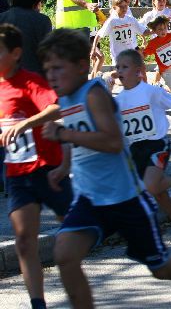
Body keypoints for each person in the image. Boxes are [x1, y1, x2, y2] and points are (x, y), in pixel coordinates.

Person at [38, 28, 171, 309]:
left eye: (58, 68)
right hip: (90, 198)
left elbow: (112, 141)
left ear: (82, 66)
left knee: (160, 267)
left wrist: (62, 135)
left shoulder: (95, 94)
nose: (52, 76)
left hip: (125, 200)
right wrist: (64, 166)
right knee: (65, 254)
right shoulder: (68, 100)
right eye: (47, 69)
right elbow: (78, 136)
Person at [0, 24, 73, 309]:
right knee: (24, 241)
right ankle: (37, 304)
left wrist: (25, 124)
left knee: (77, 234)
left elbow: (56, 109)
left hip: (49, 170)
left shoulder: (30, 81)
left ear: (16, 53)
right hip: (18, 174)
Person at [114, 49, 171, 247]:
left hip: (157, 144)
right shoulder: (118, 101)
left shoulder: (151, 91)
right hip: (136, 149)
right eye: (118, 67)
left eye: (125, 67)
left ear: (139, 70)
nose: (120, 70)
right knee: (158, 195)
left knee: (152, 186)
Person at [90, 0, 150, 84]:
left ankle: (144, 90)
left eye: (125, 6)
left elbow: (144, 31)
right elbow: (98, 35)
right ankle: (107, 77)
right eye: (121, 7)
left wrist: (156, 30)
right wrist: (94, 49)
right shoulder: (112, 21)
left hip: (132, 52)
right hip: (119, 55)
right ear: (114, 7)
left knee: (142, 70)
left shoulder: (130, 19)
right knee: (124, 79)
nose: (124, 8)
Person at [0, 0, 52, 75]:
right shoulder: (42, 21)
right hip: (35, 80)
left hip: (6, 80)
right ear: (35, 4)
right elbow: (47, 55)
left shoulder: (2, 18)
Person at [142, 15, 171, 90]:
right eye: (160, 29)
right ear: (154, 31)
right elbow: (145, 54)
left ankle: (163, 88)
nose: (163, 31)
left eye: (165, 28)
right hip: (166, 71)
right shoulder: (153, 43)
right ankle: (163, 87)